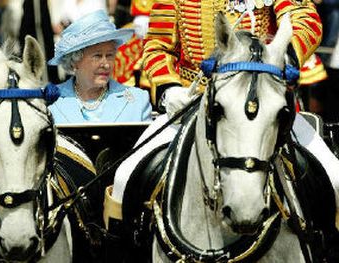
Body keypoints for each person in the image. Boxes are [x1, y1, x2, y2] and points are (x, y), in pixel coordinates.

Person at [104, 0, 339, 260]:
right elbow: (157, 45)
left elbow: (305, 19)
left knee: (336, 177)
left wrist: (281, 54)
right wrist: (168, 87)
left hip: (263, 101)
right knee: (125, 178)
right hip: (193, 99)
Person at [48, 9, 152, 123]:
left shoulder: (138, 100)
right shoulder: (51, 100)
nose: (106, 64)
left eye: (110, 55)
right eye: (97, 56)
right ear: (74, 61)